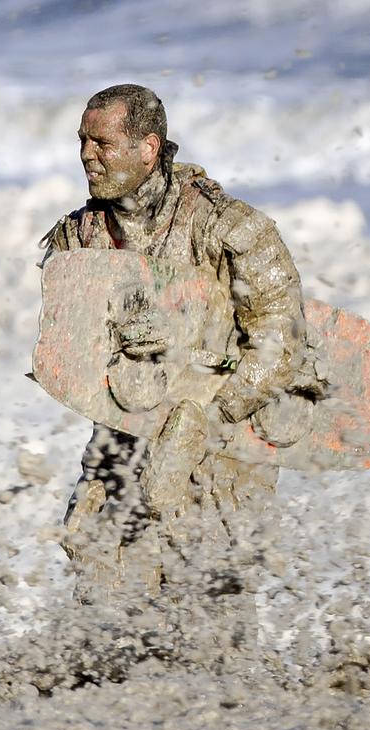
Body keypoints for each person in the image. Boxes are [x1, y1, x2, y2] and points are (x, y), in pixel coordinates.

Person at [40, 84, 312, 649]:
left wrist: (207, 419)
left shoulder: (233, 229)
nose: (88, 154)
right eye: (82, 142)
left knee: (207, 610)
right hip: (126, 432)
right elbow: (70, 353)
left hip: (224, 444)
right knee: (100, 598)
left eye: (102, 142)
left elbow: (280, 344)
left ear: (148, 147)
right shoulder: (79, 237)